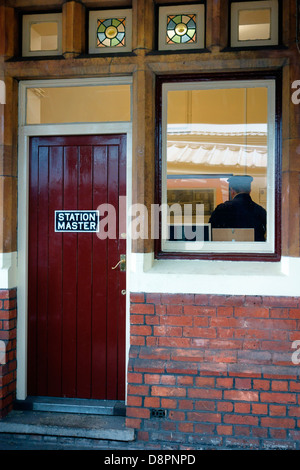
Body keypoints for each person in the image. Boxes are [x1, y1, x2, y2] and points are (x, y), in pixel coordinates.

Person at [209, 175, 266, 241]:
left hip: (227, 248)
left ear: (232, 190)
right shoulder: (260, 210)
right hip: (252, 250)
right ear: (250, 191)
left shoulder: (222, 209)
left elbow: (211, 231)